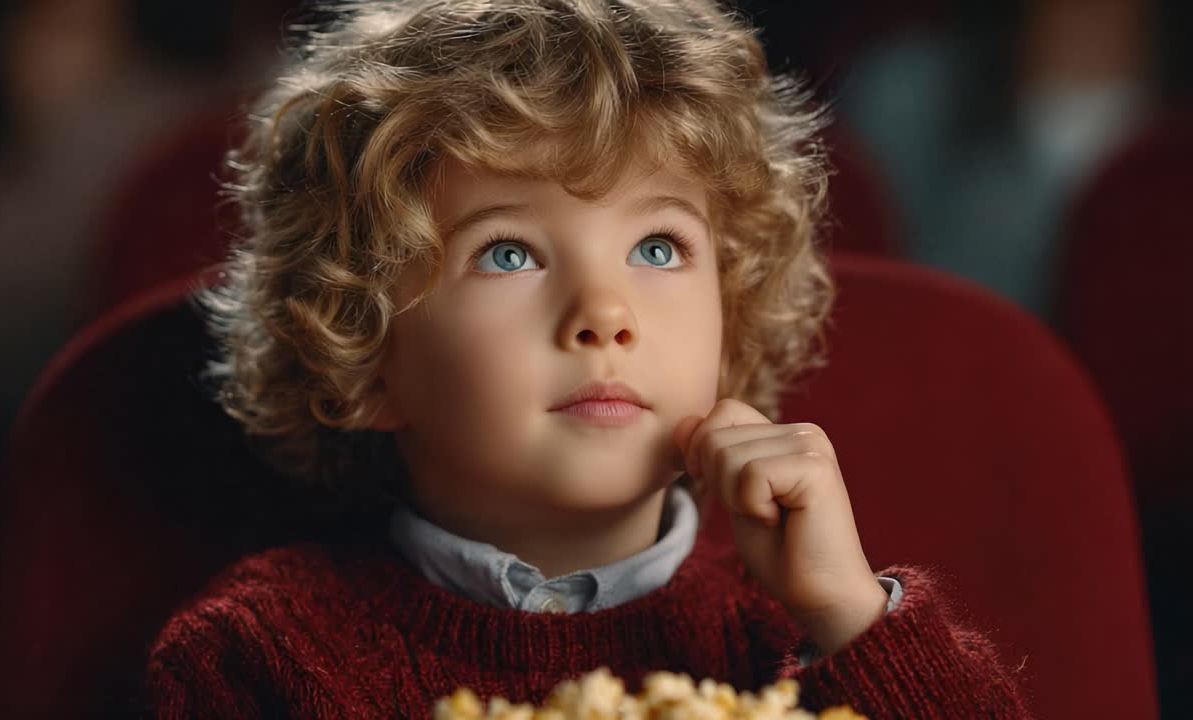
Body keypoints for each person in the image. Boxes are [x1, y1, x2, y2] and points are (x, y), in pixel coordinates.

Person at [147, 1, 1030, 717]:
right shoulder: (252, 658)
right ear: (365, 354)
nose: (604, 315)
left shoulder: (796, 636)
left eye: (656, 247)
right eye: (508, 253)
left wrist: (851, 619)